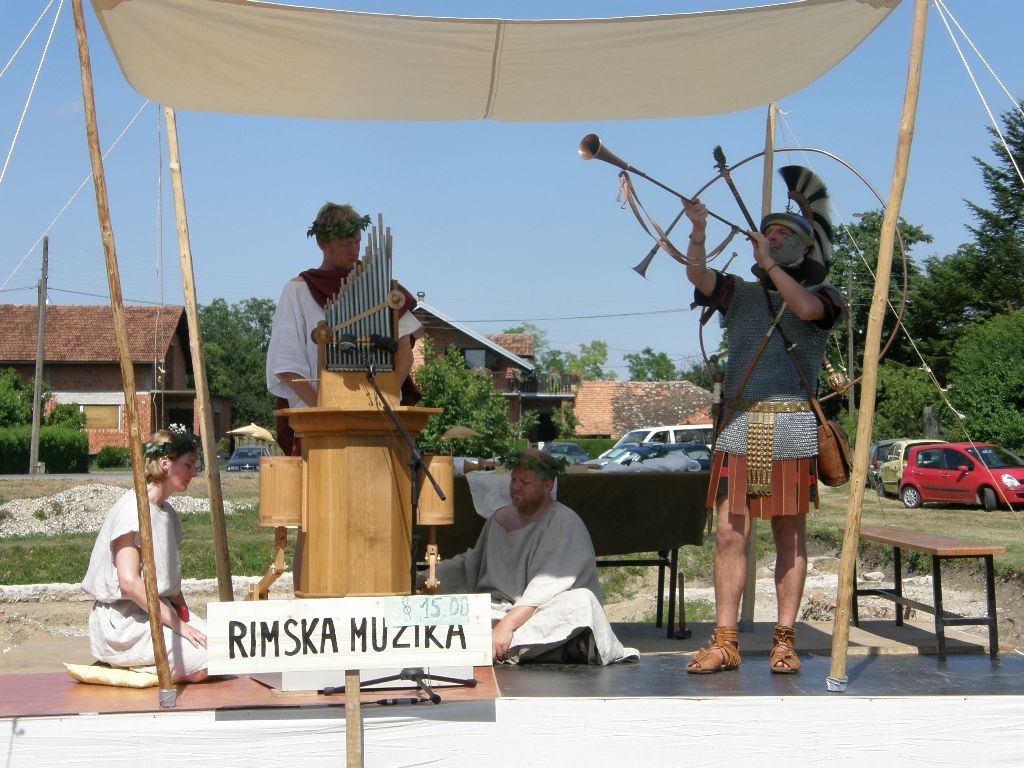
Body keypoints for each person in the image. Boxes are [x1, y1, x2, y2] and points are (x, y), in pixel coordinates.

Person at [681, 170, 844, 675]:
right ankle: (725, 640)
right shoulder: (740, 294)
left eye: (782, 234)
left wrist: (770, 265)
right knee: (729, 535)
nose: (771, 239)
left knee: (789, 536)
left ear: (804, 246)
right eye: (768, 233)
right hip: (740, 427)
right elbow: (698, 277)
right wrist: (699, 231)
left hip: (792, 427)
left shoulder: (826, 294)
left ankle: (785, 639)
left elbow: (805, 307)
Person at [424, 449, 637, 666]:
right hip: (494, 612)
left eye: (524, 482)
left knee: (583, 603)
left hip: (538, 615)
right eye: (513, 480)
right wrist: (426, 576)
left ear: (548, 485)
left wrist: (507, 625)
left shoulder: (564, 522)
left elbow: (544, 590)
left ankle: (495, 646)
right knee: (451, 607)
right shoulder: (498, 519)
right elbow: (471, 564)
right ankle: (539, 649)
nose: (515, 487)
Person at [266, 201, 423, 455]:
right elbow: (287, 365)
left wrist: (387, 401)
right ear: (323, 244)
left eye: (357, 242)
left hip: (377, 423)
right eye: (346, 243)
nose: (354, 250)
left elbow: (404, 353)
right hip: (318, 428)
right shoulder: (297, 291)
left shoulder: (380, 287)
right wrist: (324, 410)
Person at [81, 426, 208, 683]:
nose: (194, 473)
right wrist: (179, 627)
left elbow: (170, 584)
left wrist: (185, 616)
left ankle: (151, 664)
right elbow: (129, 583)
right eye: (188, 465)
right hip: (124, 623)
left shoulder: (167, 513)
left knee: (222, 648)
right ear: (165, 463)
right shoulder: (132, 509)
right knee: (205, 661)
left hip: (159, 613)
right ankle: (131, 669)